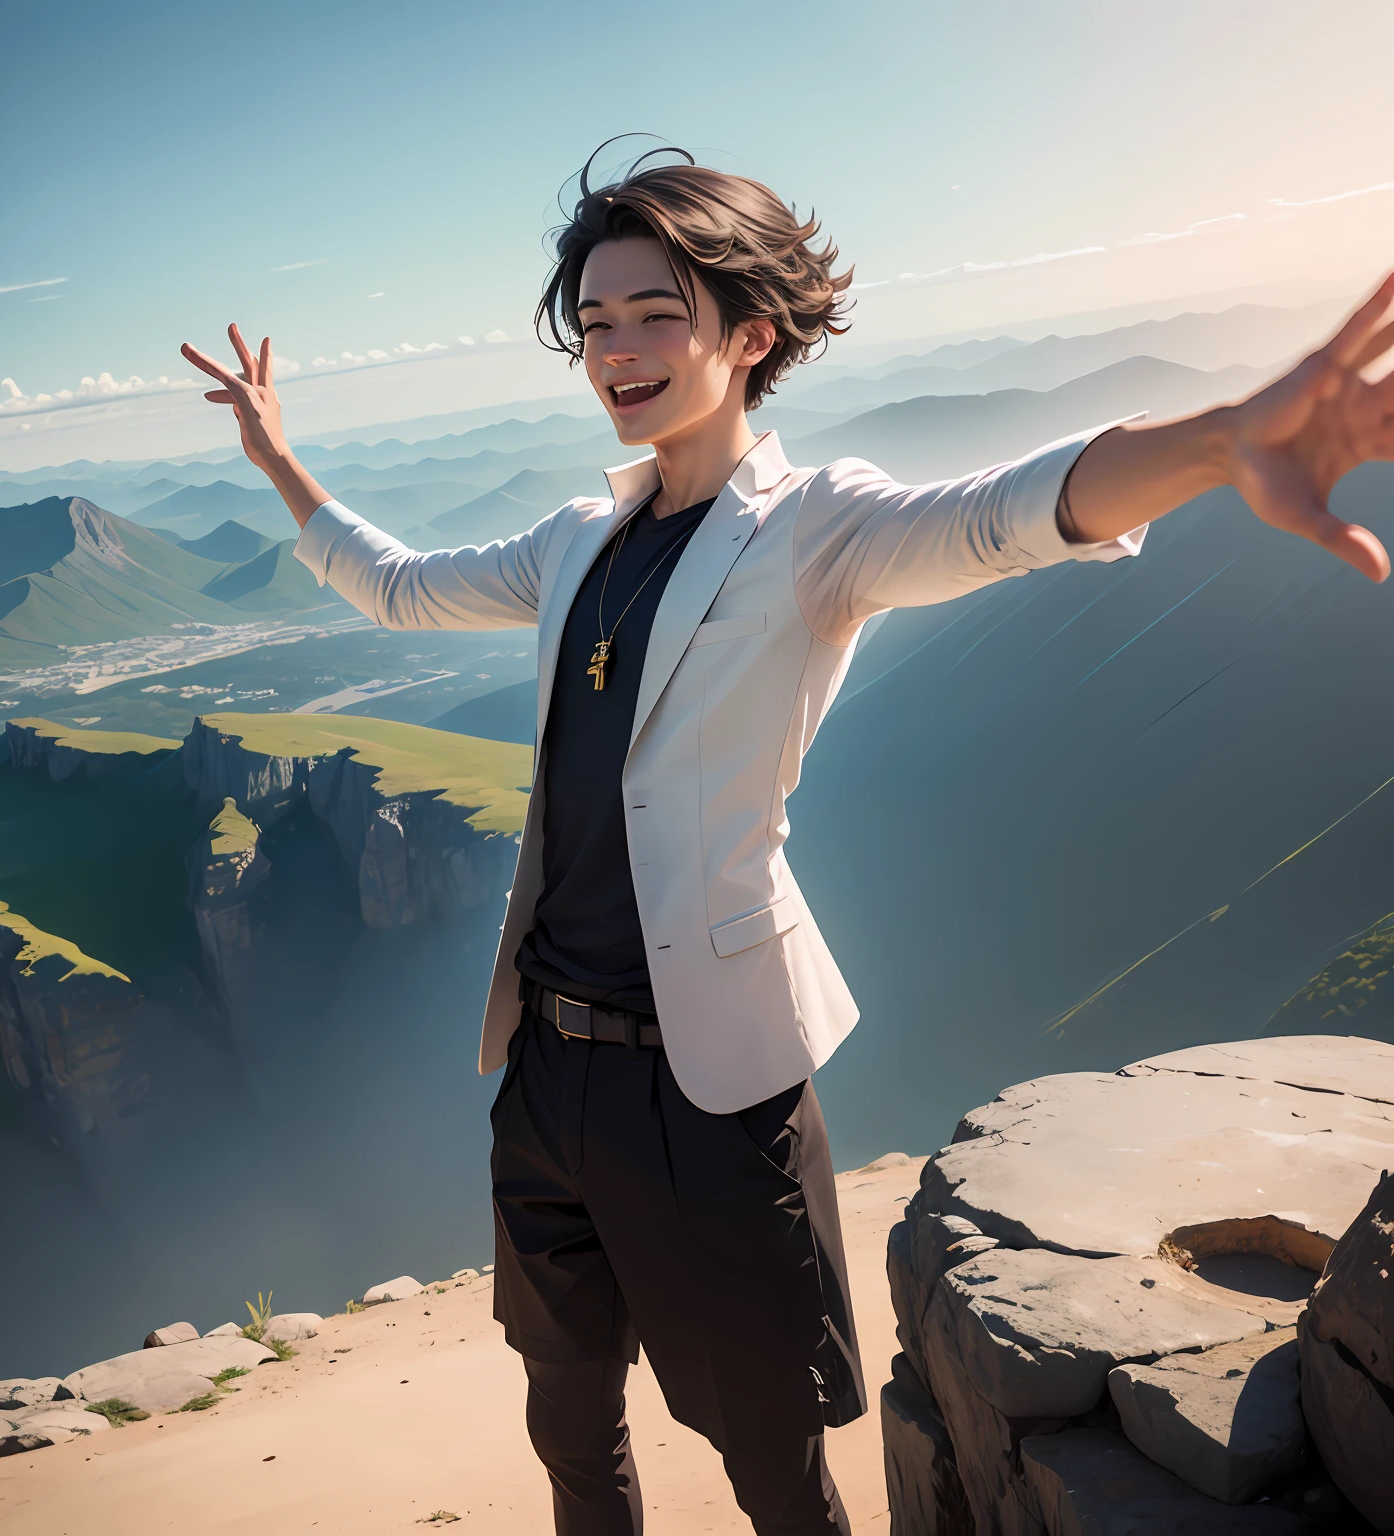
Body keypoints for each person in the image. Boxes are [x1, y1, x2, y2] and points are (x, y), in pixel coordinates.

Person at [183, 145, 1394, 1535]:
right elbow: (397, 589)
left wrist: (1222, 437)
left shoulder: (813, 531)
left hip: (711, 1092)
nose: (617, 352)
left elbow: (1009, 513)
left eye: (654, 314)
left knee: (773, 1467)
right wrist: (280, 463)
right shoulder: (581, 536)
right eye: (593, 324)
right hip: (543, 1073)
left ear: (749, 334)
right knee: (569, 1431)